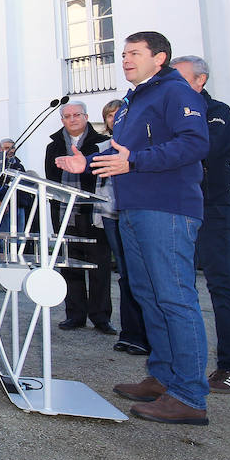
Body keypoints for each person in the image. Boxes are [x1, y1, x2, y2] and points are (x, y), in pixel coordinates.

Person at [56, 31, 210, 425]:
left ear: (159, 58)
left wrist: (136, 162)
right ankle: (161, 377)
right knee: (147, 294)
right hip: (133, 209)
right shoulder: (132, 100)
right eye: (123, 53)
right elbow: (117, 152)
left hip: (167, 208)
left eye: (134, 53)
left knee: (174, 297)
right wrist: (85, 163)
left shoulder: (175, 92)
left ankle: (190, 396)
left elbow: (194, 143)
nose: (124, 59)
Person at [170, 54, 230, 394]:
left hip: (212, 207)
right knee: (175, 287)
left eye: (178, 78)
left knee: (221, 284)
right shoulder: (168, 113)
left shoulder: (218, 113)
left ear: (199, 81)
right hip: (176, 207)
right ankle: (180, 364)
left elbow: (204, 149)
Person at [45, 101, 114, 334]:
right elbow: (51, 181)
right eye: (67, 116)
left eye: (77, 115)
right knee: (69, 266)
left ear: (86, 117)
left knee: (99, 267)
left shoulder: (101, 144)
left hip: (94, 213)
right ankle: (74, 315)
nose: (72, 119)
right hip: (65, 214)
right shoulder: (53, 147)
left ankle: (101, 317)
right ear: (62, 120)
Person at [98, 98, 148, 356]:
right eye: (109, 116)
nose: (114, 119)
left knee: (141, 275)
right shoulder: (104, 148)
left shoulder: (141, 144)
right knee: (126, 276)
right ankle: (130, 334)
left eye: (118, 115)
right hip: (111, 215)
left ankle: (146, 334)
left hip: (138, 215)